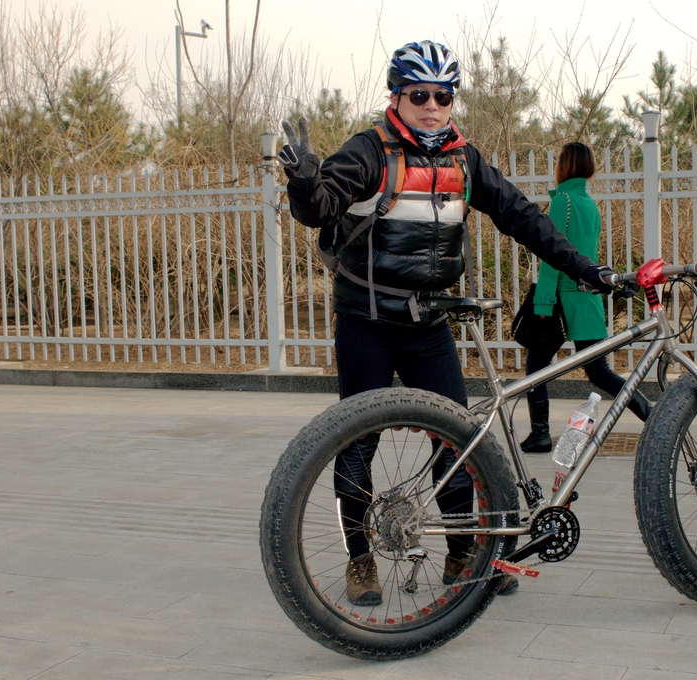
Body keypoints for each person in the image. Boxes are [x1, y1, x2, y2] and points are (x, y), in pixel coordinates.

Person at [278, 41, 617, 606]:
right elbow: (320, 208)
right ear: (396, 96)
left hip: (429, 322)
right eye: (419, 95)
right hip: (366, 321)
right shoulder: (369, 151)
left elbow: (522, 217)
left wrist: (586, 269)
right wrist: (304, 181)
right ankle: (360, 560)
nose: (432, 106)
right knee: (357, 444)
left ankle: (462, 555)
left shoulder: (464, 159)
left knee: (459, 441)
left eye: (443, 95)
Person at [519, 142, 653, 454]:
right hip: (586, 300)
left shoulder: (562, 201)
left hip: (561, 301)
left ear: (563, 165)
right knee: (599, 372)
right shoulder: (589, 204)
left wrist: (542, 302)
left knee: (536, 368)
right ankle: (651, 414)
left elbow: (553, 255)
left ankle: (540, 434)